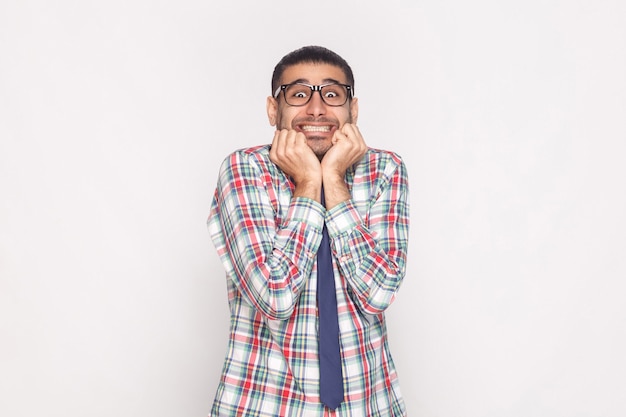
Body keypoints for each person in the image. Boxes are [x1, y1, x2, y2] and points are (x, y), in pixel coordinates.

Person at [207, 45, 410, 416]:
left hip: (367, 404)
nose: (316, 109)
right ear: (274, 110)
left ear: (354, 110)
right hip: (266, 403)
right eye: (299, 94)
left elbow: (379, 293)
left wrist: (332, 179)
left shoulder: (385, 170)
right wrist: (306, 184)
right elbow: (275, 296)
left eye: (332, 95)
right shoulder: (244, 169)